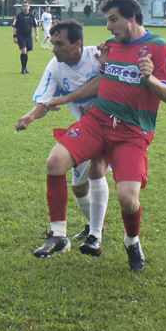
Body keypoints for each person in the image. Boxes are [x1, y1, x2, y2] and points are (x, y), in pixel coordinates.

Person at [43, 0, 166, 271]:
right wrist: (102, 65)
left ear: (132, 17)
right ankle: (58, 234)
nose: (108, 26)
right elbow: (103, 81)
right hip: (97, 121)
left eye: (113, 19)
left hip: (132, 132)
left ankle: (131, 241)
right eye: (108, 20)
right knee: (55, 162)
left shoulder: (159, 47)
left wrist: (148, 77)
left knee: (128, 199)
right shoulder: (111, 46)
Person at [15, 19, 110, 256]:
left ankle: (96, 235)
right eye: (53, 42)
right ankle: (69, 234)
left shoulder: (97, 56)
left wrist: (66, 98)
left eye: (59, 43)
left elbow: (105, 82)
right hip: (85, 131)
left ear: (77, 44)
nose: (53, 48)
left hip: (112, 129)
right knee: (77, 186)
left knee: (98, 169)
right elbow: (45, 101)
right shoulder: (55, 67)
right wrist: (31, 116)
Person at [12, 2, 39, 74]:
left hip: (28, 36)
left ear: (29, 7)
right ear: (22, 7)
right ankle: (23, 69)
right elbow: (15, 27)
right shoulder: (19, 16)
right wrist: (15, 36)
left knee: (27, 52)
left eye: (27, 6)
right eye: (24, 6)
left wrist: (37, 35)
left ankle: (25, 68)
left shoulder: (32, 16)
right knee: (24, 50)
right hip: (20, 36)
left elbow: (36, 26)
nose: (25, 7)